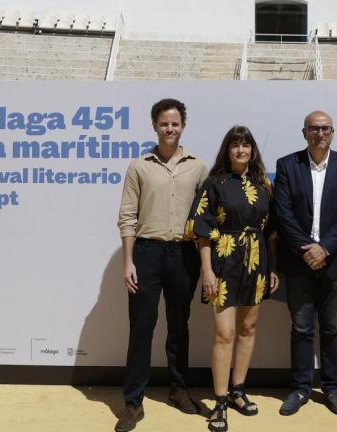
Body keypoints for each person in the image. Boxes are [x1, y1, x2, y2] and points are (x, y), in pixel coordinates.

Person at [115, 98, 209, 432]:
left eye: (175, 123)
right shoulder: (139, 166)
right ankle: (132, 402)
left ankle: (179, 391)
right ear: (154, 126)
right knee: (141, 328)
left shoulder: (198, 166)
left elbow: (206, 217)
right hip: (146, 253)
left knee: (179, 326)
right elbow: (126, 217)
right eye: (163, 123)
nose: (170, 129)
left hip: (183, 255)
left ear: (182, 126)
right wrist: (128, 261)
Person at [187, 126, 280, 431]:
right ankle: (220, 401)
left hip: (257, 263)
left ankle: (238, 390)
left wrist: (273, 268)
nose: (241, 150)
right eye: (235, 145)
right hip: (223, 261)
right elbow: (200, 229)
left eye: (246, 145)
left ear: (253, 150)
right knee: (224, 333)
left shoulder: (264, 184)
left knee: (248, 328)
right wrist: (207, 270)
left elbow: (272, 232)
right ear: (227, 150)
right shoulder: (214, 184)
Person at [272, 110, 337, 416]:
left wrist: (324, 248)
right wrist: (307, 250)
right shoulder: (287, 165)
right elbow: (282, 213)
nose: (319, 134)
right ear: (304, 132)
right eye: (314, 128)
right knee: (301, 329)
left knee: (334, 329)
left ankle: (333, 387)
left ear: (333, 132)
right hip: (299, 264)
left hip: (336, 263)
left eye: (325, 129)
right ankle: (300, 388)